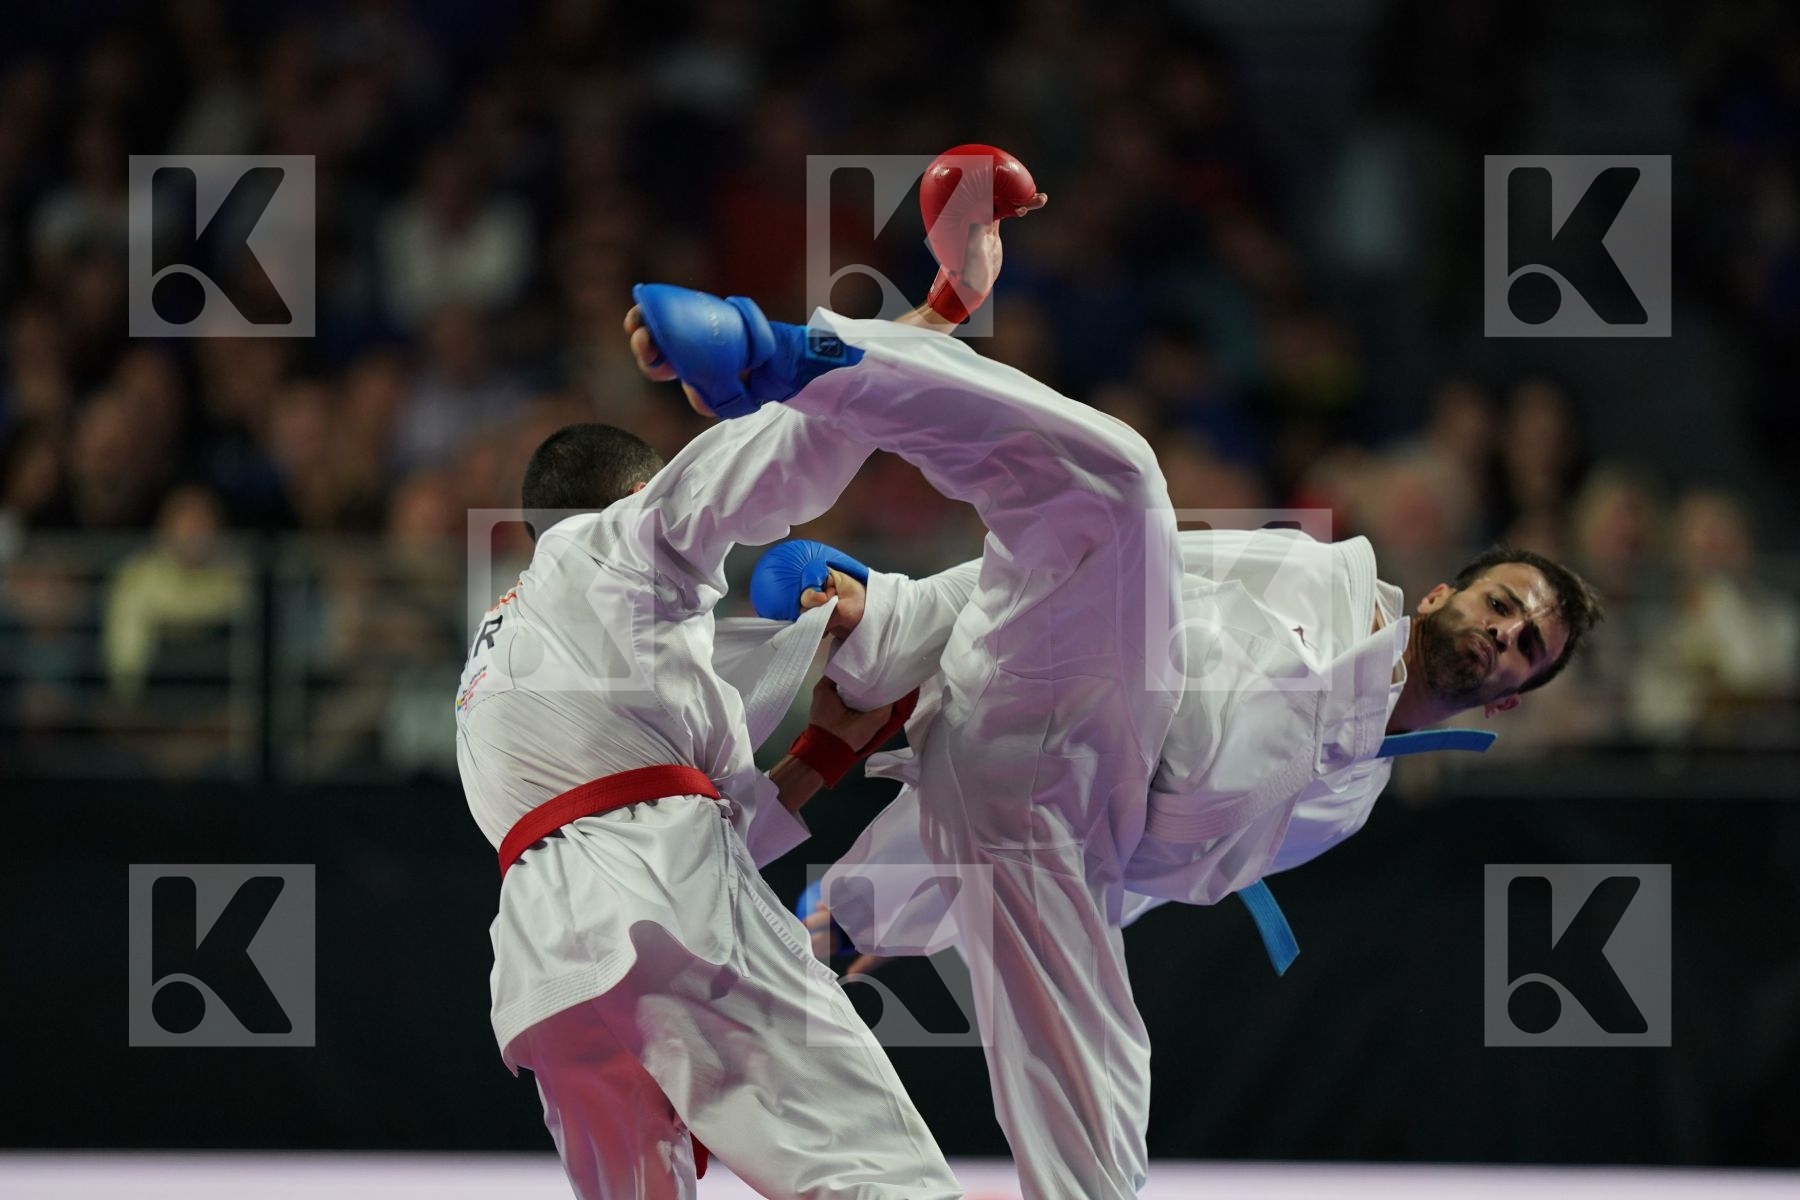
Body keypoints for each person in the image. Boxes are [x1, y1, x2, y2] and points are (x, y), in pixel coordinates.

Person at [627, 249, 1603, 1199]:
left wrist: (881, 908)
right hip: (1085, 684)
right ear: (1443, 592)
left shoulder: (1345, 799)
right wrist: (892, 620)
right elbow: (1096, 578)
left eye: (1526, 646)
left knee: (1094, 1137)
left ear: (1511, 698)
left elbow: (1145, 870)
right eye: (1503, 603)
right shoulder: (1319, 575)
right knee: (1117, 488)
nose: (1505, 632)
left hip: (1058, 833)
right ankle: (786, 357)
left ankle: (682, 1062)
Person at [454, 416, 965, 1193]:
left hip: (546, 973)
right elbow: (764, 458)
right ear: (637, 493)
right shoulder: (621, 541)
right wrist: (900, 349)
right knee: (874, 1174)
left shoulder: (499, 656)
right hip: (670, 918)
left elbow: (677, 816)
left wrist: (819, 754)